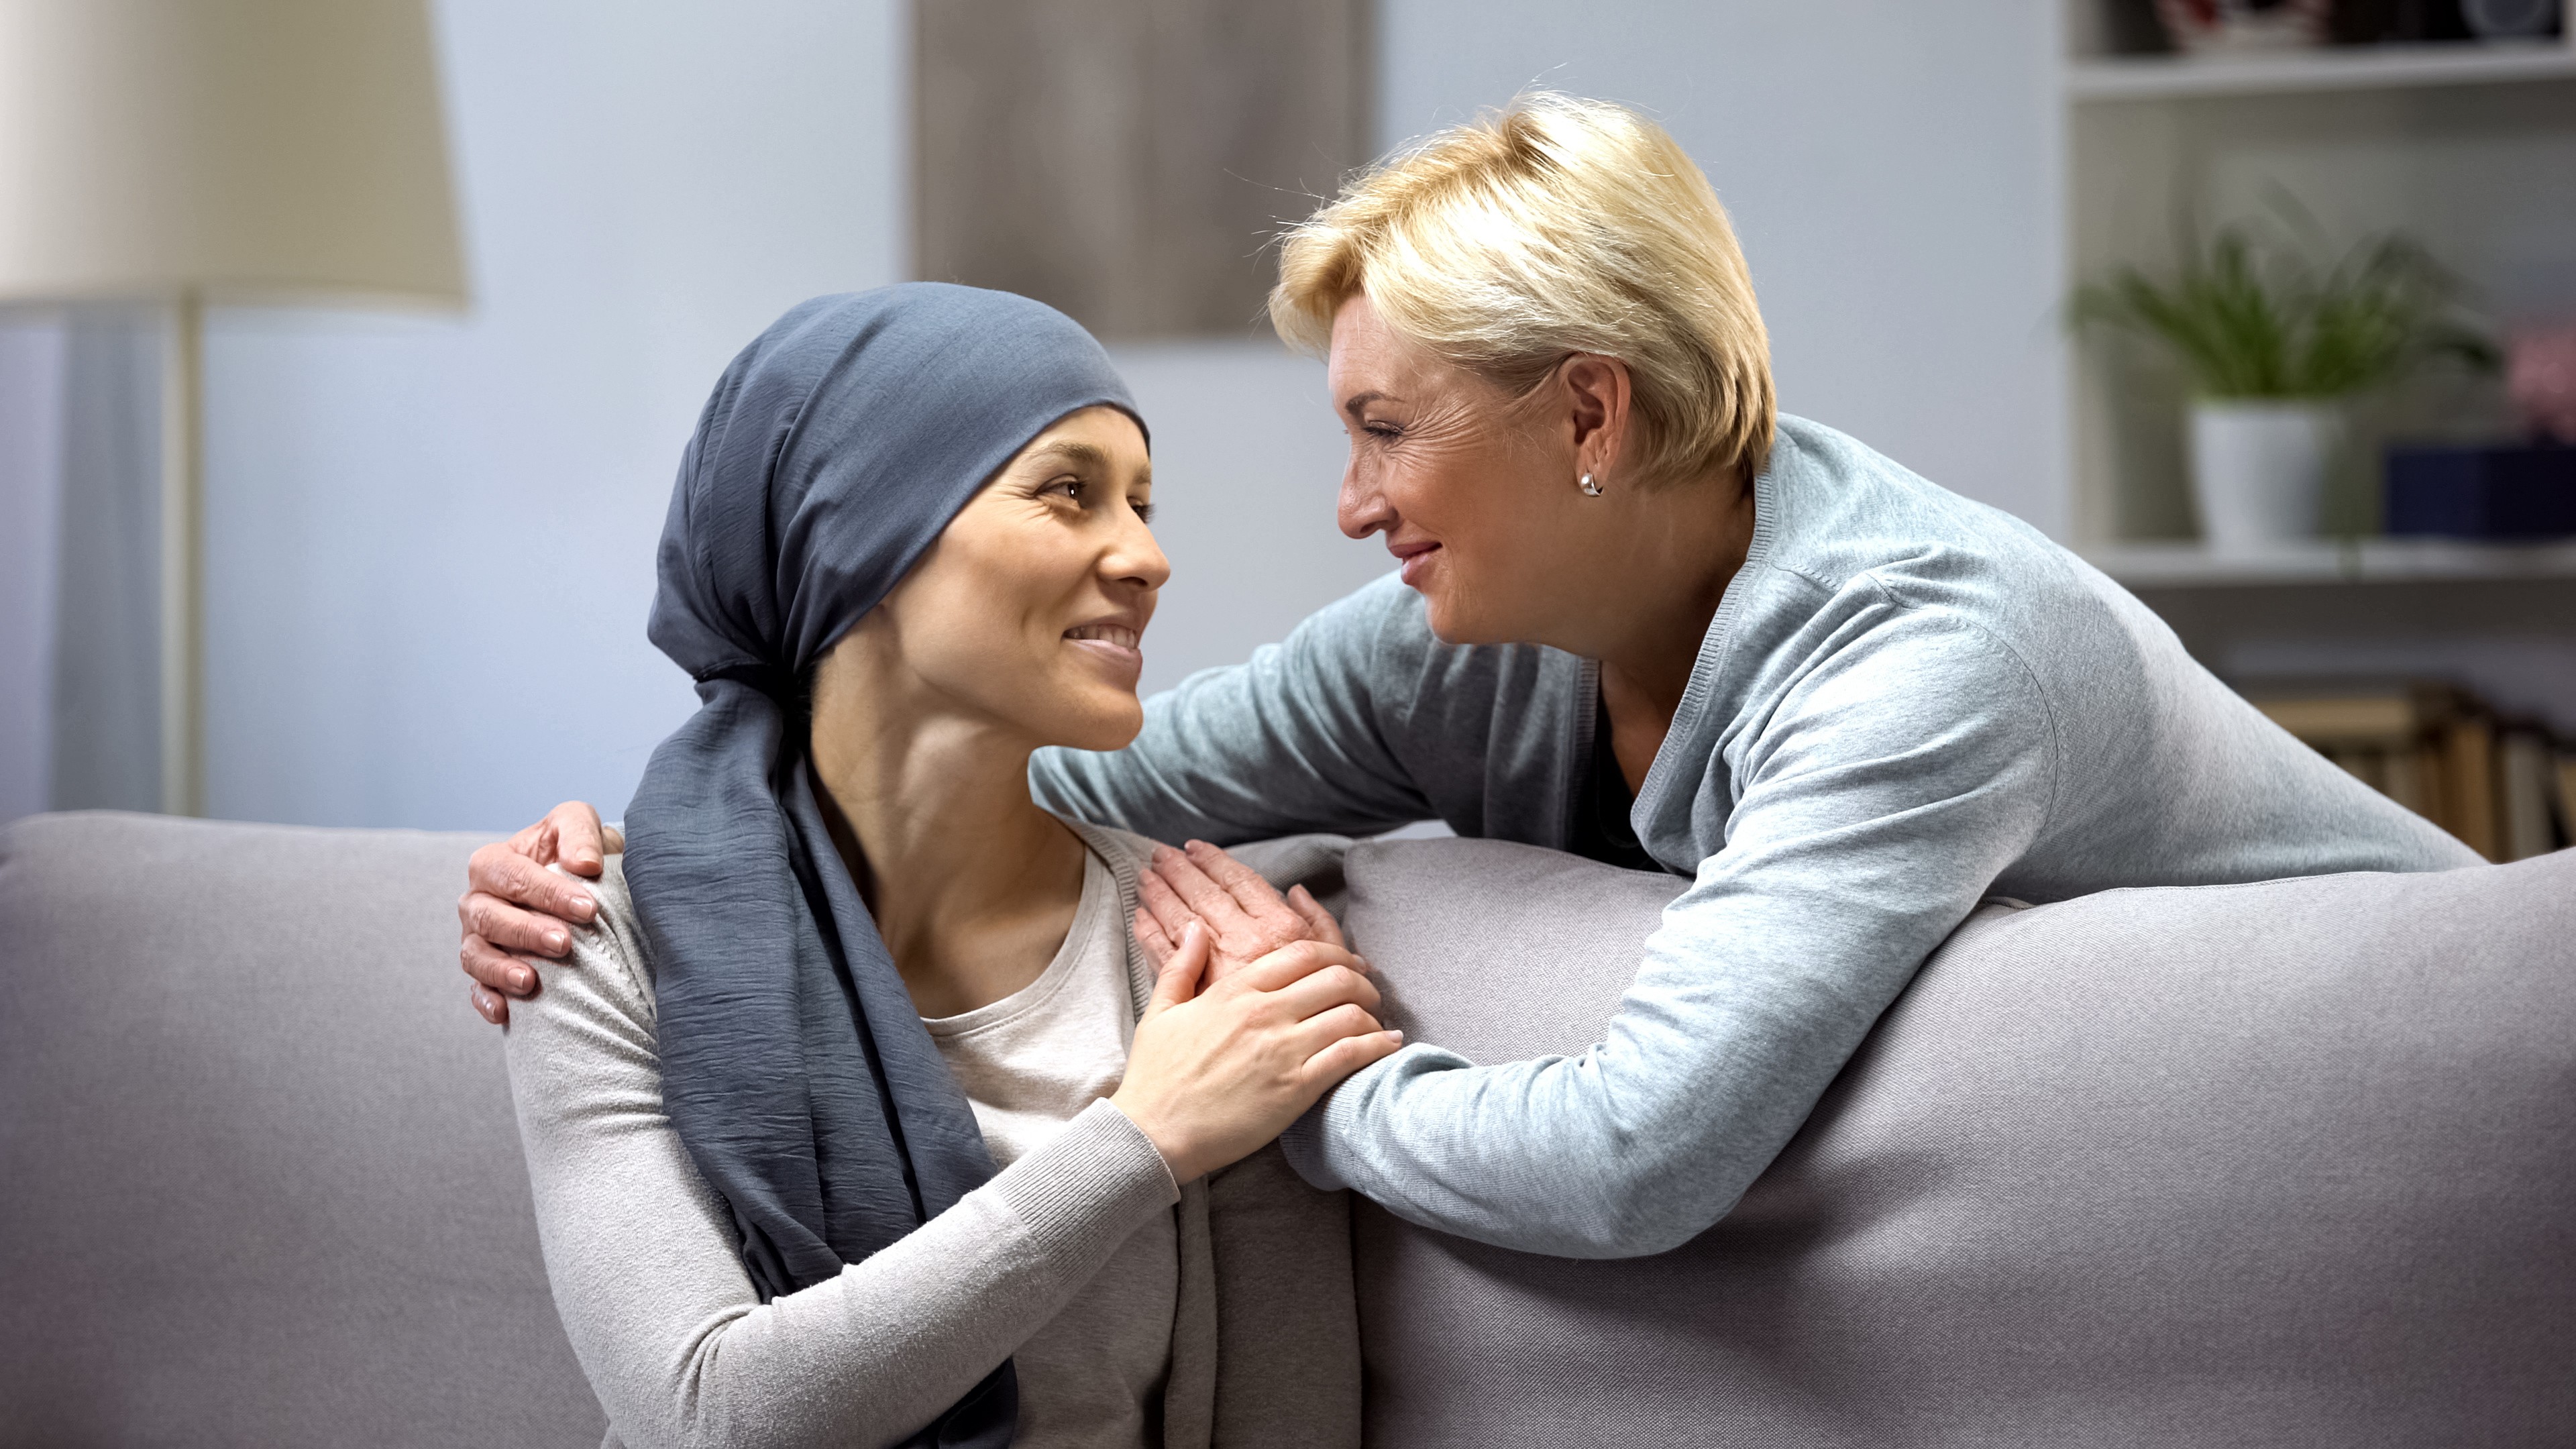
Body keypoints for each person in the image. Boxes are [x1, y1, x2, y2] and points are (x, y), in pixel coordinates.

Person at [462, 95, 2476, 1267]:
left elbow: (1633, 1159)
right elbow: (1072, 789)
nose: (1347, 508)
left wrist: (1272, 1084)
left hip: (2428, 1128)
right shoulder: (1473, 651)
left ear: (1590, 409)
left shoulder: (1924, 657)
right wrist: (654, 862)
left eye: (1387, 434)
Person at [495, 284, 1394, 1449]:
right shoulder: (593, 938)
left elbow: (1290, 1419)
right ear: (857, 531)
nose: (1148, 556)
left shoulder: (1205, 955)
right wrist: (1144, 1138)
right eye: (1070, 492)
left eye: (1142, 502)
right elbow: (709, 1414)